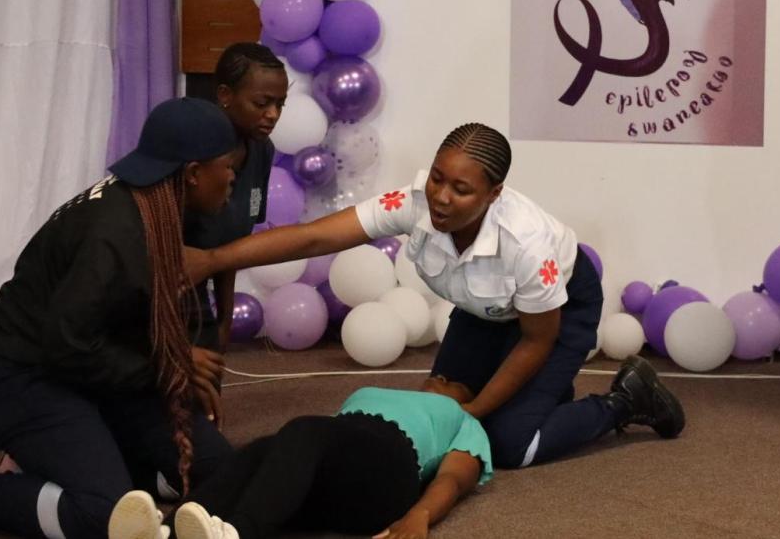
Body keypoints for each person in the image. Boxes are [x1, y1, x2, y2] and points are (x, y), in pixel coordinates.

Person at [187, 122, 685, 469]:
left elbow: (536, 341)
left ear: (494, 194)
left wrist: (476, 412)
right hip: (483, 310)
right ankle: (547, 398)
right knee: (436, 409)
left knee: (507, 444)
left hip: (557, 312)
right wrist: (213, 259)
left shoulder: (526, 244)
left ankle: (626, 400)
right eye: (438, 178)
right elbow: (316, 237)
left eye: (461, 190)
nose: (442, 197)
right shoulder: (414, 202)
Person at [0, 98, 239, 538]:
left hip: (94, 370)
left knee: (221, 469)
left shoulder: (155, 205)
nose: (233, 177)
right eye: (227, 166)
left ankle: (50, 463)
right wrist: (169, 365)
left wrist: (174, 363)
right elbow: (66, 346)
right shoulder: (114, 236)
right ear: (192, 173)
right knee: (102, 514)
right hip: (17, 373)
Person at [108, 379, 493, 539]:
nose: (443, 376)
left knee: (305, 429)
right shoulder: (375, 392)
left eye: (454, 382)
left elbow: (454, 478)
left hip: (389, 475)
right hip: (338, 473)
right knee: (262, 450)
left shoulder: (463, 418)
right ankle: (167, 532)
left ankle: (237, 532)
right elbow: (311, 455)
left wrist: (420, 515)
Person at [187, 43, 288, 425]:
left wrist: (225, 321)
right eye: (262, 103)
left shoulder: (262, 151)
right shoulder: (193, 151)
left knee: (207, 380)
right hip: (167, 280)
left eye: (280, 104)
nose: (273, 114)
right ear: (225, 95)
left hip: (205, 278)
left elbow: (233, 245)